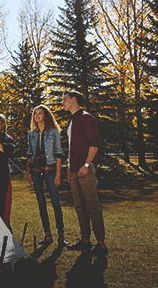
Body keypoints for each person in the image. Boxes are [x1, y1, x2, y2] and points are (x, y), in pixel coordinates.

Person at [62, 90, 108, 256]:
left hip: (85, 170)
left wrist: (87, 165)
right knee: (79, 206)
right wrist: (69, 168)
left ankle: (101, 243)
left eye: (65, 99)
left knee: (92, 205)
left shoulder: (87, 118)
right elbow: (72, 148)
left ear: (74, 99)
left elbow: (94, 144)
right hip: (73, 170)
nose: (62, 102)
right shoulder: (72, 120)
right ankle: (85, 241)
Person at [26, 105, 69, 247]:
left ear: (46, 116)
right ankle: (48, 235)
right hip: (36, 171)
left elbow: (58, 154)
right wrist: (28, 173)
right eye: (35, 114)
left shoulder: (54, 132)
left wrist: (58, 174)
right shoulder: (31, 133)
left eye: (40, 113)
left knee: (56, 203)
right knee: (41, 203)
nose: (37, 116)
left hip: (50, 170)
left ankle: (61, 236)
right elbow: (29, 154)